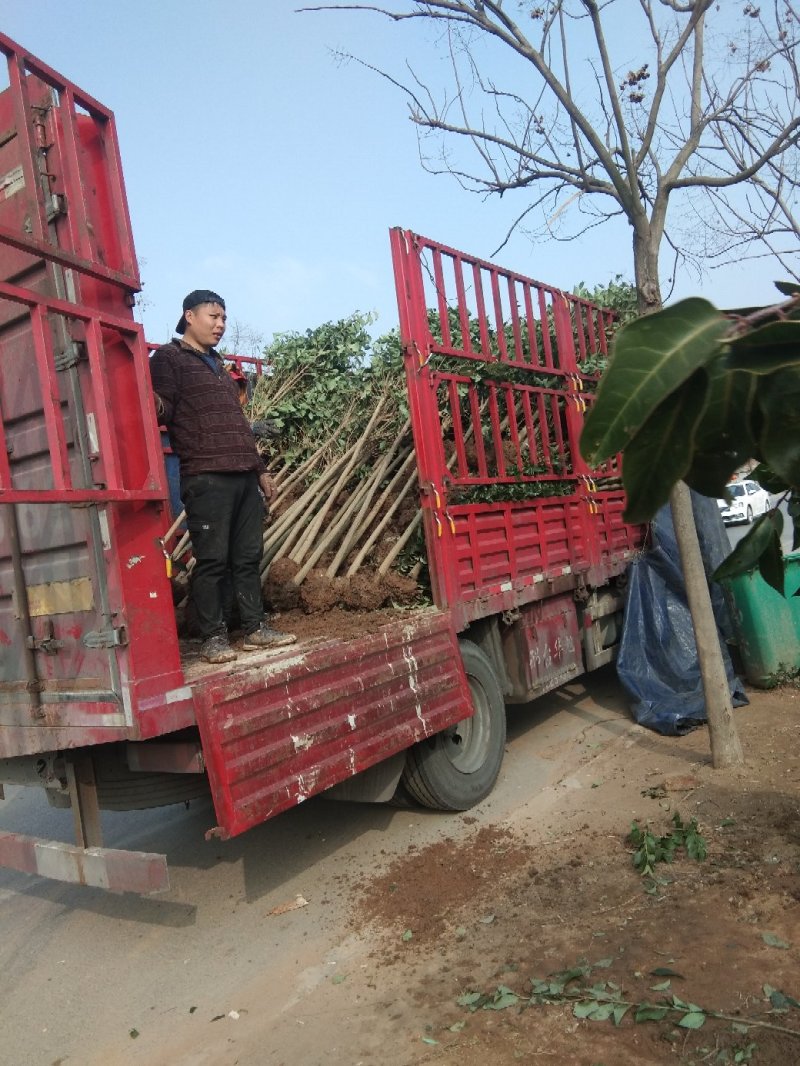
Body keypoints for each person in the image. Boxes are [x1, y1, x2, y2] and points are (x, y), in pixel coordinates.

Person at [149, 289, 295, 664]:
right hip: (206, 475)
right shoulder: (168, 358)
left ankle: (254, 629)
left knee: (247, 556)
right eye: (213, 316)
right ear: (189, 316)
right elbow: (161, 407)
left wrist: (260, 471)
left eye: (224, 318)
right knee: (212, 560)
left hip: (244, 475)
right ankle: (213, 638)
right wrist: (147, 400)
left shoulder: (219, 366)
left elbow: (238, 427)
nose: (220, 324)